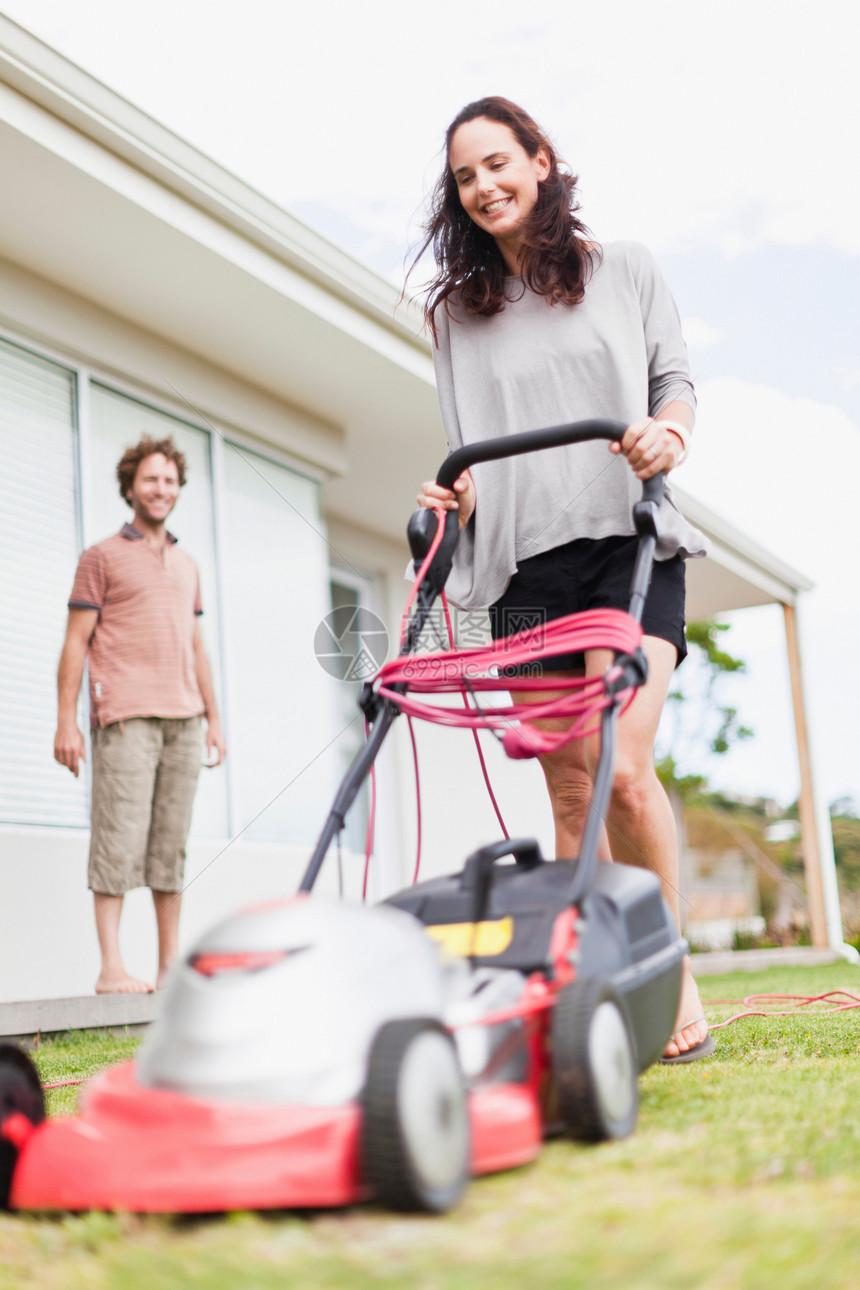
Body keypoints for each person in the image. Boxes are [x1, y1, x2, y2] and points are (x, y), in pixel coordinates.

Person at [413, 97, 713, 1063]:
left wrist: (669, 433)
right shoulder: (456, 315)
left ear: (540, 161)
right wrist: (450, 495)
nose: (486, 186)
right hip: (520, 566)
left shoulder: (622, 268)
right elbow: (471, 441)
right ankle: (599, 977)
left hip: (627, 541)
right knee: (571, 791)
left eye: (500, 163)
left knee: (624, 772)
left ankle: (671, 975)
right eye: (466, 176)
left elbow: (677, 383)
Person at [53, 436, 226, 994]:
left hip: (185, 720)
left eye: (170, 481)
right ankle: (111, 970)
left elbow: (196, 647)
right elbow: (76, 642)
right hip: (125, 716)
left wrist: (215, 719)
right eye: (151, 479)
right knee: (118, 842)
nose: (161, 489)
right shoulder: (100, 557)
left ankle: (170, 967)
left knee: (168, 847)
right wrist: (66, 721)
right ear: (130, 486)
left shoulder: (187, 563)